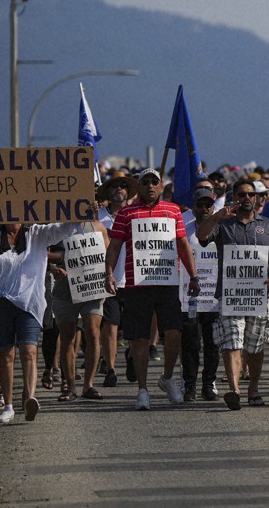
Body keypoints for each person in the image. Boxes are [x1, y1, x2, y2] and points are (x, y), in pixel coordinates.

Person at [0, 192, 80, 423]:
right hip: (0, 303)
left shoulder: (38, 234)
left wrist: (81, 209)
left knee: (29, 350)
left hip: (29, 303)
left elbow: (64, 229)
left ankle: (30, 398)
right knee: (6, 354)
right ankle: (8, 406)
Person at [104, 168, 201, 410]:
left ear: (160, 185)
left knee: (174, 332)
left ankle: (167, 378)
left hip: (166, 283)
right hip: (136, 284)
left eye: (154, 181)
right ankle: (142, 389)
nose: (149, 185)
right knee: (140, 338)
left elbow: (183, 244)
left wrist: (193, 276)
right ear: (138, 186)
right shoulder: (126, 213)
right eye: (145, 181)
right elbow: (114, 246)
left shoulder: (173, 210)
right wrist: (109, 274)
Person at [195, 179, 269, 410]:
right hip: (230, 296)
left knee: (255, 347)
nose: (246, 198)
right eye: (241, 194)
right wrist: (216, 217)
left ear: (256, 198)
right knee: (231, 343)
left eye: (250, 194)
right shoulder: (223, 225)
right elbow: (201, 236)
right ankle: (234, 390)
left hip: (258, 296)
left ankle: (253, 389)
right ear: (234, 198)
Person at [47, 218, 112, 402]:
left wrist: (109, 275)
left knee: (93, 332)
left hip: (92, 288)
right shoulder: (57, 228)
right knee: (67, 336)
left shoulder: (98, 227)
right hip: (64, 290)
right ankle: (70, 387)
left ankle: (88, 385)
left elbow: (109, 254)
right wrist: (53, 268)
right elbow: (42, 253)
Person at [180, 186, 223, 402]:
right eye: (200, 205)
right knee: (191, 343)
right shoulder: (184, 230)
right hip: (190, 297)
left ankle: (209, 383)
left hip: (214, 296)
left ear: (213, 207)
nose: (204, 208)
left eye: (208, 205)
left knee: (213, 343)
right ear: (193, 207)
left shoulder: (222, 229)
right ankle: (189, 385)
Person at [96, 172, 136, 388]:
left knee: (133, 326)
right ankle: (110, 369)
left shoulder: (135, 214)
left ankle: (132, 356)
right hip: (108, 278)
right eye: (114, 186)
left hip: (133, 279)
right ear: (108, 192)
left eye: (123, 186)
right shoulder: (97, 216)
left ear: (128, 192)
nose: (119, 189)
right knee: (110, 325)